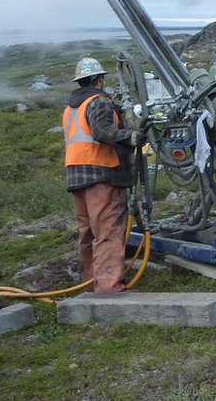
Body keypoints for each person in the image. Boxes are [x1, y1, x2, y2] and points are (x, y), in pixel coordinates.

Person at [63, 57, 147, 293]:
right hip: (100, 173)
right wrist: (129, 137)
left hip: (75, 175)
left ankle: (90, 283)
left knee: (87, 233)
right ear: (99, 79)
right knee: (108, 230)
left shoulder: (71, 108)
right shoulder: (98, 101)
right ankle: (109, 287)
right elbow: (102, 132)